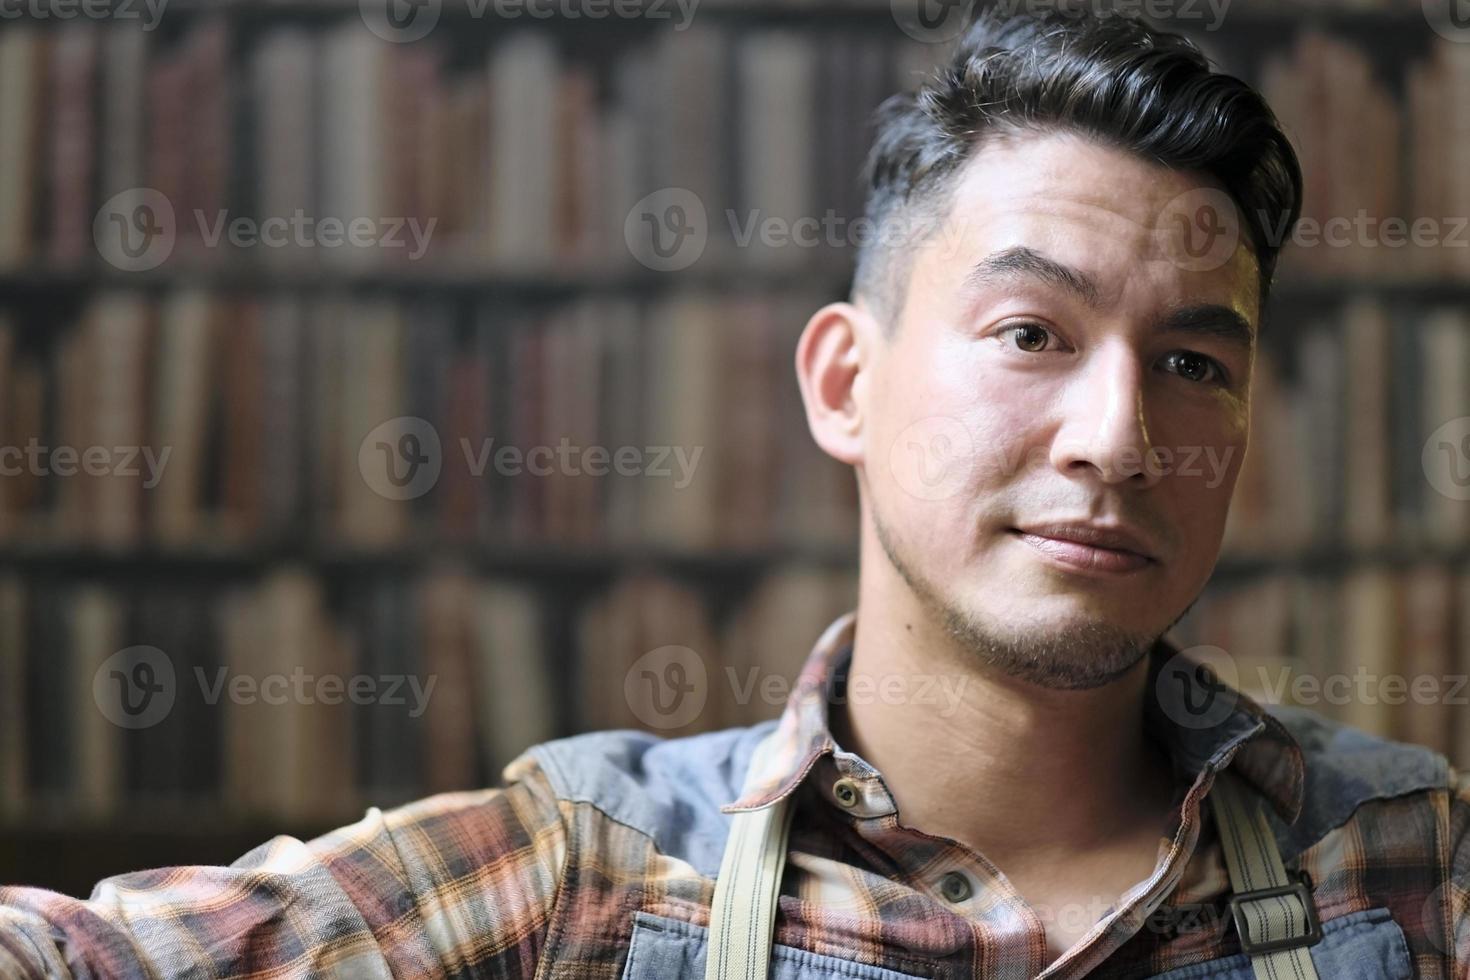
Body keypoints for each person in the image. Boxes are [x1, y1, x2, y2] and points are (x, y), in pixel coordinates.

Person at [3, 6, 1466, 978]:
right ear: (843, 383)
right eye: (1031, 334)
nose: (1116, 436)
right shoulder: (597, 868)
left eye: (1195, 364)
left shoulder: (1412, 863)